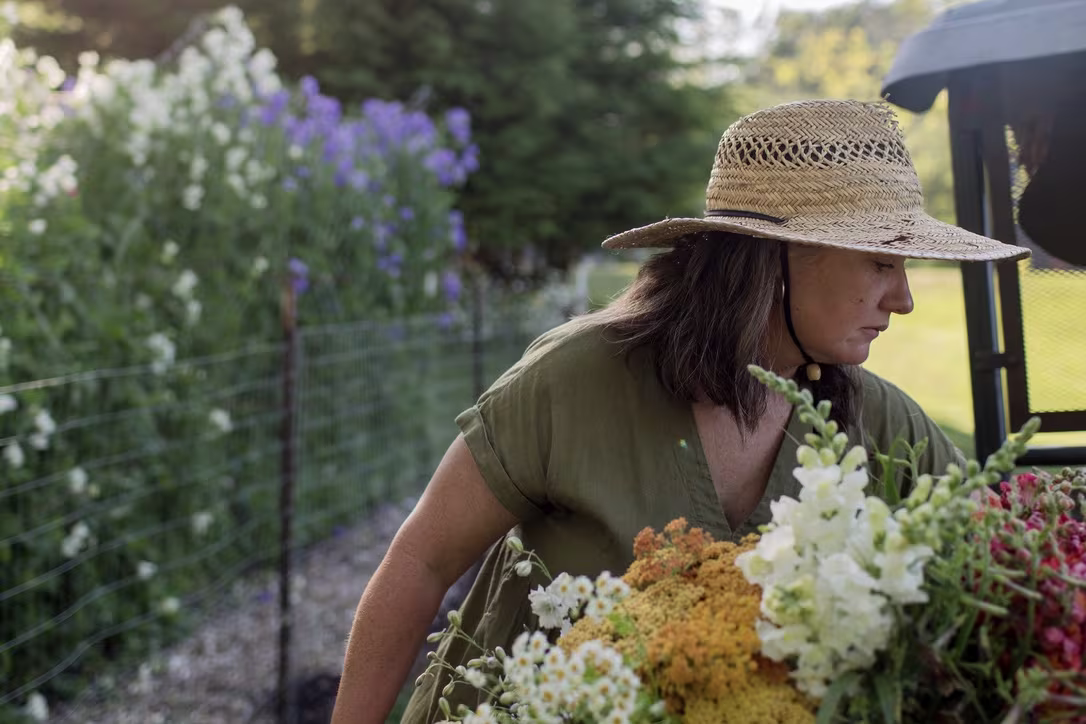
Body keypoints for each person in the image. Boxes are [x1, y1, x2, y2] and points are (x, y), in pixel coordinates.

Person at [329, 98, 1030, 723]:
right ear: (779, 256)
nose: (903, 299)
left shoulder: (883, 427)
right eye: (882, 262)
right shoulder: (575, 381)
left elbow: (1004, 563)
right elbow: (421, 561)